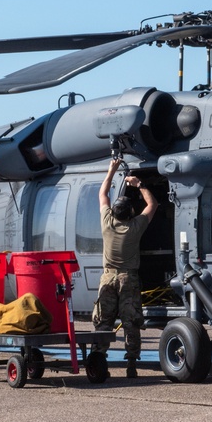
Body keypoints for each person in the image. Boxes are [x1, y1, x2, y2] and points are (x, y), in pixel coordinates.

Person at [94, 158, 158, 378]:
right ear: (130, 213)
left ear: (114, 212)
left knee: (104, 322)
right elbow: (153, 205)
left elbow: (103, 195)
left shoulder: (107, 223)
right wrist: (139, 185)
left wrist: (111, 170)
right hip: (128, 280)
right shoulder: (135, 227)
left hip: (108, 279)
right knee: (130, 322)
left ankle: (98, 360)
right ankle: (131, 363)